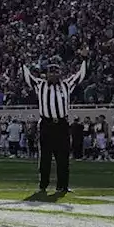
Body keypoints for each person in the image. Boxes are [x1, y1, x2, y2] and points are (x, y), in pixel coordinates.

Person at [23, 58, 87, 195]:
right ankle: (43, 185)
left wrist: (84, 59)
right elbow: (28, 77)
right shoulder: (40, 85)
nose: (53, 75)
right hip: (46, 124)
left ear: (60, 74)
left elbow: (80, 75)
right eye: (51, 73)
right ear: (46, 74)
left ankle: (62, 186)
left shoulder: (66, 85)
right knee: (45, 157)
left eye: (56, 72)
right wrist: (23, 63)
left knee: (63, 157)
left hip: (62, 125)